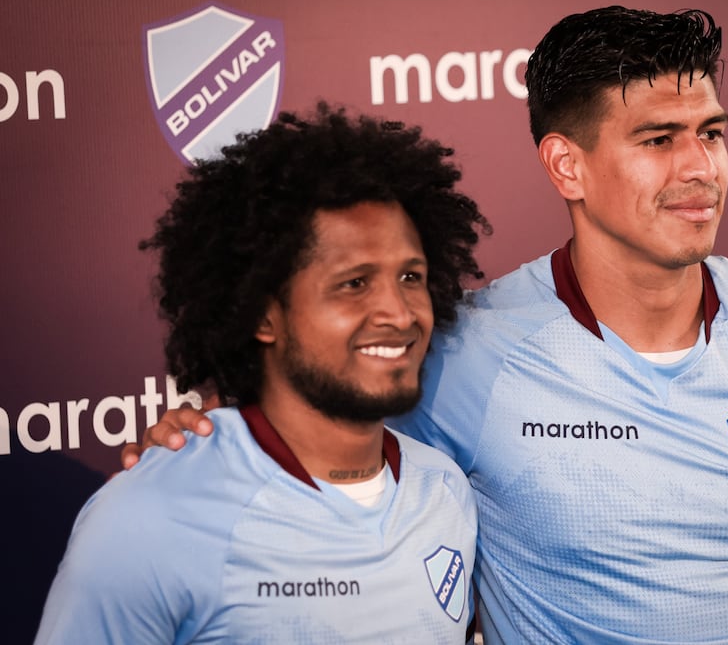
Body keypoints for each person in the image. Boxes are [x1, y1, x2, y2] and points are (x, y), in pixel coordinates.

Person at [122, 7, 728, 643]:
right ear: (567, 165)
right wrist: (203, 442)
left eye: (709, 133)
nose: (700, 168)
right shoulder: (462, 352)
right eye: (657, 140)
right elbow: (301, 445)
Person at [37, 103, 490, 643]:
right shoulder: (147, 518)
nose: (399, 312)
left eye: (411, 277)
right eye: (354, 283)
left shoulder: (445, 490)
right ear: (261, 314)